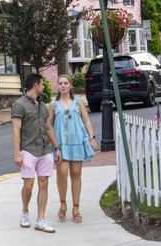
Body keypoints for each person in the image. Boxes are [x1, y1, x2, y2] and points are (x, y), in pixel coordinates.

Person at [11, 73, 62, 233]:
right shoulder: (19, 105)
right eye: (42, 84)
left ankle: (40, 219)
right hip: (28, 150)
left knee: (44, 183)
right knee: (29, 184)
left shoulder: (42, 105)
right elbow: (16, 130)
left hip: (45, 149)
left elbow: (48, 128)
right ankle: (25, 211)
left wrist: (56, 147)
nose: (44, 87)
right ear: (35, 85)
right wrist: (17, 153)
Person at [49, 75, 97, 223]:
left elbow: (86, 120)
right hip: (61, 144)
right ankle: (63, 204)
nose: (63, 86)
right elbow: (49, 125)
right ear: (57, 86)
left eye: (66, 83)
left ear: (70, 86)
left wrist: (91, 137)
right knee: (62, 174)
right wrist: (53, 144)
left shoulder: (78, 102)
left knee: (76, 174)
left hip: (77, 142)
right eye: (60, 83)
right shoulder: (53, 104)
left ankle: (76, 207)